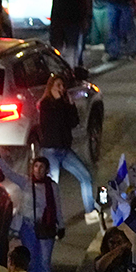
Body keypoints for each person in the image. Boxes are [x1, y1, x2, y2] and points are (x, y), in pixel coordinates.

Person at [0, 153, 63, 272]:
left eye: (41, 167)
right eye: (36, 166)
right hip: (28, 227)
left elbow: (57, 207)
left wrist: (61, 226)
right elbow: (9, 173)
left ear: (47, 170)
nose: (38, 169)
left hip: (45, 227)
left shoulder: (52, 187)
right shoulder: (26, 182)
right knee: (30, 259)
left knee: (44, 261)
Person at [36, 74, 96, 220]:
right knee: (52, 187)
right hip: (51, 151)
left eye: (63, 86)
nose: (61, 89)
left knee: (85, 177)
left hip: (64, 150)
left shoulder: (64, 103)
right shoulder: (46, 104)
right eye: (58, 85)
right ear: (51, 87)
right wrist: (60, 103)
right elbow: (51, 123)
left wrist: (70, 105)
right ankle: (52, 220)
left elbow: (74, 122)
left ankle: (90, 211)